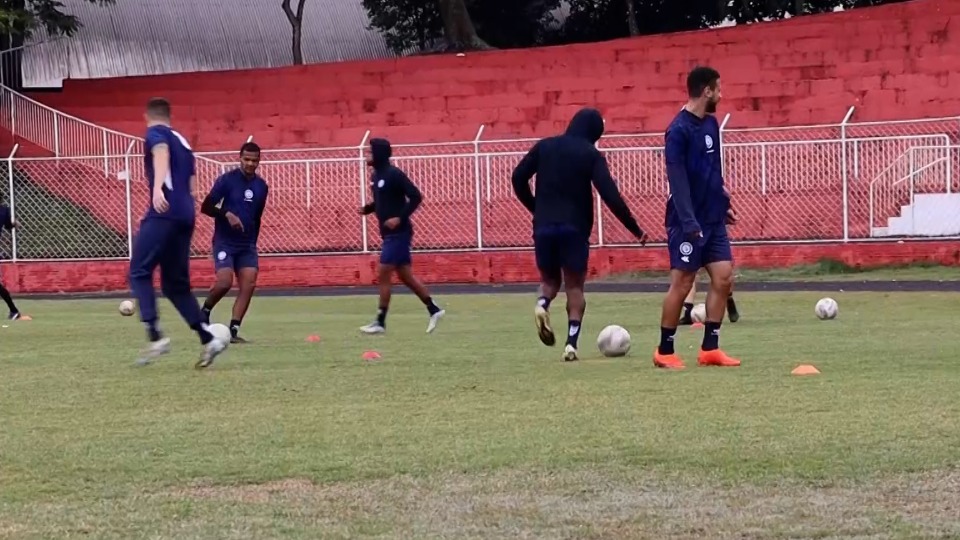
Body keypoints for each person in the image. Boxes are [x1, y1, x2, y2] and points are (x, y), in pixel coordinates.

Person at [512, 107, 648, 362]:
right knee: (574, 287)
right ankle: (571, 344)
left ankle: (542, 304)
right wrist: (635, 228)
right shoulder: (590, 154)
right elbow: (609, 193)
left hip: (543, 226)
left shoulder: (545, 146)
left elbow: (518, 177)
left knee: (550, 281)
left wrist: (536, 207)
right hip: (574, 228)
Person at [128, 97, 228, 368]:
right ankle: (208, 338)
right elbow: (193, 184)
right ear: (169, 115)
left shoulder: (155, 133)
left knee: (139, 271)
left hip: (165, 211)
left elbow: (160, 152)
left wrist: (157, 189)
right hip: (185, 214)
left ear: (147, 116)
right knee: (175, 284)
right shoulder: (183, 141)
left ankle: (155, 335)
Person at [654, 67, 741, 369]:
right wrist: (689, 222)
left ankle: (710, 349)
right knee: (682, 283)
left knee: (724, 276)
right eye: (718, 89)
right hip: (686, 222)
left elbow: (713, 172)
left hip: (712, 218)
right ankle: (664, 351)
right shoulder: (678, 131)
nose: (721, 95)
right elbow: (677, 180)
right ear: (707, 91)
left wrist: (723, 203)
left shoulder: (711, 124)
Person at [358, 138, 445, 335]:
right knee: (406, 277)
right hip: (388, 234)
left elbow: (415, 196)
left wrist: (400, 218)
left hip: (399, 233)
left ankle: (380, 321)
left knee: (383, 271)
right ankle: (434, 309)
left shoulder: (394, 174)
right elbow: (383, 200)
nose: (366, 155)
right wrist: (369, 208)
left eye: (370, 152)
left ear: (379, 154)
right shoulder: (375, 176)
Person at [199, 142, 269, 343]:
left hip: (246, 245)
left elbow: (257, 217)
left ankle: (233, 331)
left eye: (254, 160)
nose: (250, 164)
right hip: (225, 242)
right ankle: (204, 312)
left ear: (259, 161)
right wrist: (226, 214)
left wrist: (253, 241)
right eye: (246, 159)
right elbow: (206, 207)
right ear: (240, 158)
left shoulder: (262, 186)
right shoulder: (226, 180)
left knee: (249, 284)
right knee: (224, 282)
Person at [0, 201, 21, 320]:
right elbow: (8, 225)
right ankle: (13, 310)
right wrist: (14, 224)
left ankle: (14, 310)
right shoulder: (4, 210)